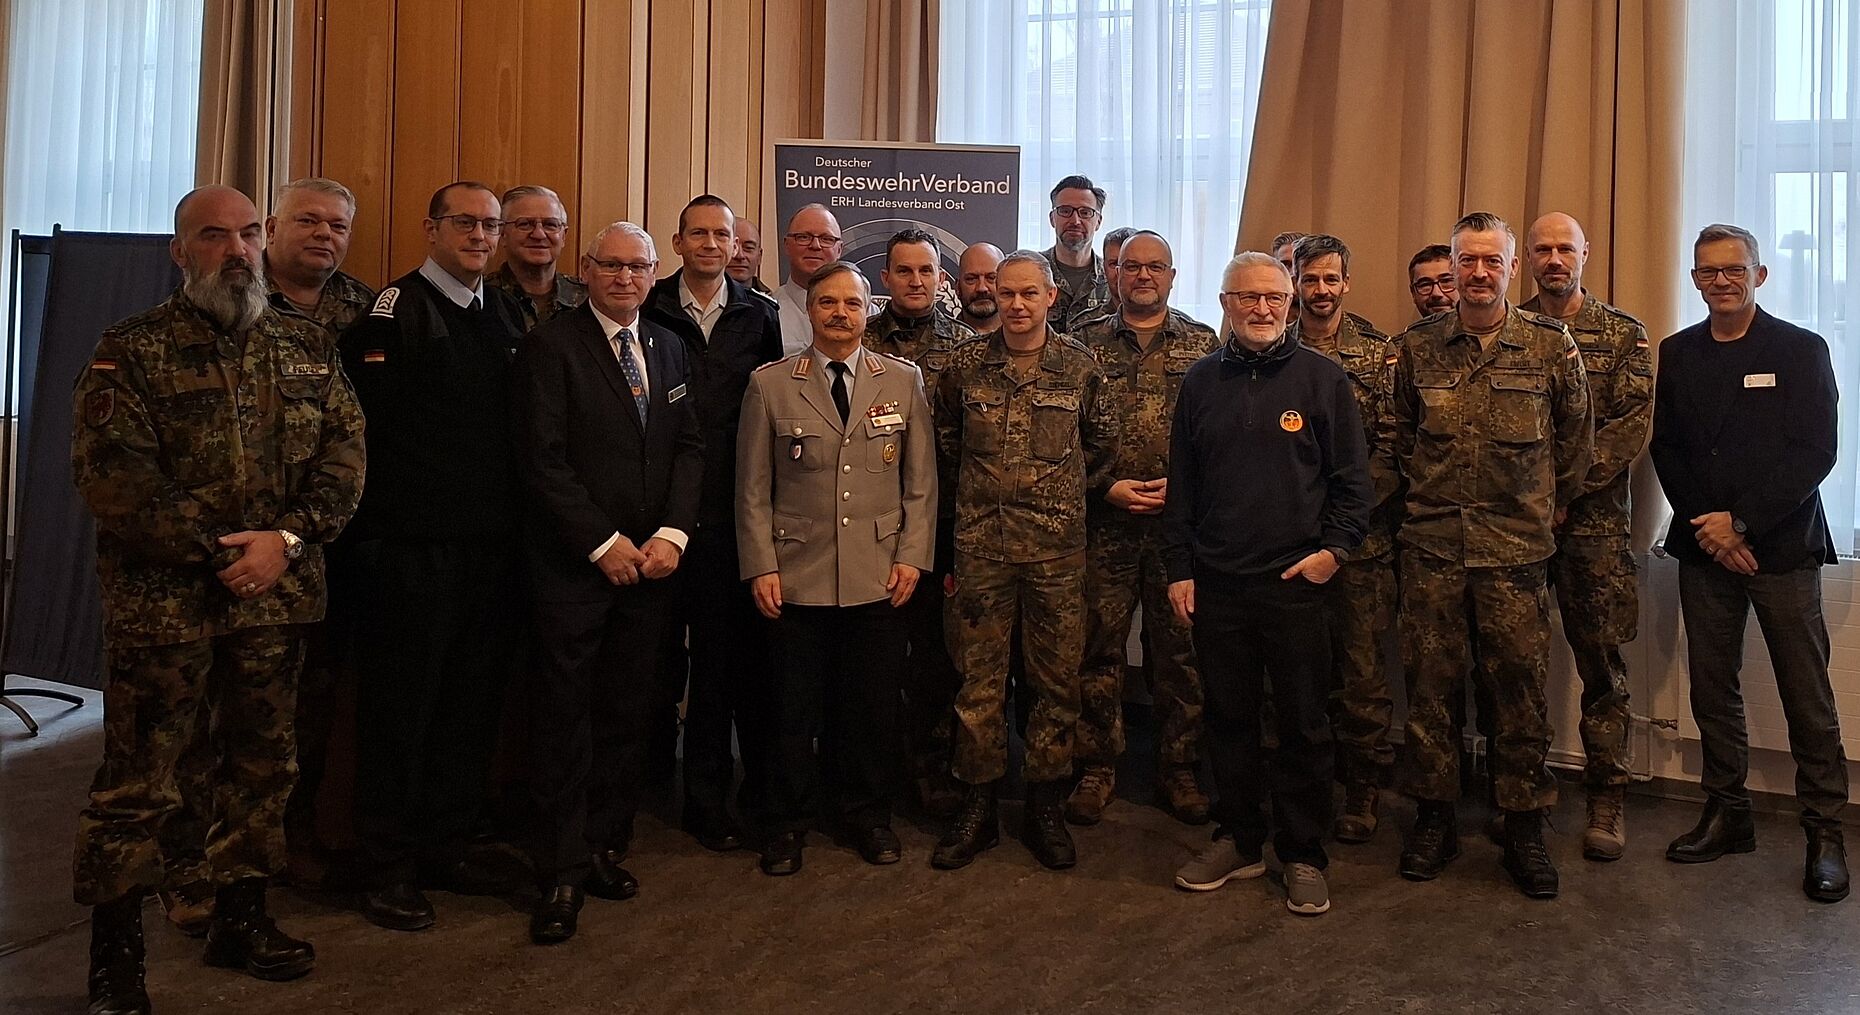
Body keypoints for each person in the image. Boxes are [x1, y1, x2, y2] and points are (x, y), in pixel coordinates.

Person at [72, 185, 365, 1012]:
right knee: (140, 783)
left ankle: (243, 916)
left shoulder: (306, 347)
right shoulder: (129, 350)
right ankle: (116, 958)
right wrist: (224, 551)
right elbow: (114, 478)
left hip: (278, 602)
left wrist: (289, 540)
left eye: (245, 235)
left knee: (263, 767)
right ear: (180, 250)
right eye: (213, 237)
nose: (235, 252)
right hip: (166, 610)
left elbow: (346, 455)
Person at [1378, 211, 1592, 900]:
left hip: (1515, 555)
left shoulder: (1550, 345)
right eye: (1466, 261)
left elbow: (1576, 443)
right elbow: (1399, 437)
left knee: (1519, 695)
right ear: (1454, 264)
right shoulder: (1416, 348)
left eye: (1490, 261)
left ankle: (1523, 823)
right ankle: (1434, 818)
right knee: (1432, 693)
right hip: (1434, 549)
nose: (1476, 273)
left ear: (1510, 266)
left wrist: (1539, 506)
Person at [338, 182, 529, 932]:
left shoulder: (503, 310)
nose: (482, 235)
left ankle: (447, 843)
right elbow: (372, 438)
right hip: (413, 555)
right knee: (401, 711)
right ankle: (388, 862)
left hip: (488, 552)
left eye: (492, 225)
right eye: (467, 223)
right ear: (432, 227)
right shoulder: (397, 310)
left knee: (467, 707)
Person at [1165, 250, 1370, 916]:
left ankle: (1305, 853)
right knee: (1227, 719)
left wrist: (1333, 553)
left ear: (1290, 304)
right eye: (1247, 297)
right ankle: (1241, 839)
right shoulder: (1198, 382)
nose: (1261, 309)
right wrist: (1180, 568)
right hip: (1219, 585)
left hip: (1297, 584)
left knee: (1305, 725)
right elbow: (1184, 488)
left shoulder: (1323, 380)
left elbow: (1352, 485)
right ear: (1224, 302)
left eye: (1273, 299)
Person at [1650, 223, 1849, 904]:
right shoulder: (1678, 353)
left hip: (1782, 547)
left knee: (1808, 697)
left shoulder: (1799, 349)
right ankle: (1728, 813)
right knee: (1712, 688)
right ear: (1696, 279)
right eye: (1708, 272)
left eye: (1734, 270)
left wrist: (1741, 521)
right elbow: (1668, 447)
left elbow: (1816, 449)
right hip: (1706, 550)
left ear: (1759, 275)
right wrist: (1711, 528)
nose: (1721, 281)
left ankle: (1825, 832)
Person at [517, 221, 703, 942]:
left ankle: (601, 844)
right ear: (586, 270)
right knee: (565, 718)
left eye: (638, 266)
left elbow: (689, 448)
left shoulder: (669, 344)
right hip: (577, 569)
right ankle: (559, 868)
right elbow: (543, 460)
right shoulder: (550, 347)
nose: (625, 278)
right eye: (612, 265)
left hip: (653, 567)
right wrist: (602, 542)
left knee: (629, 712)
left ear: (655, 275)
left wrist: (672, 535)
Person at [738, 260, 937, 875]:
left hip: (877, 573)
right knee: (790, 709)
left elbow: (921, 485)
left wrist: (912, 557)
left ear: (867, 309)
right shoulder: (769, 385)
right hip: (795, 574)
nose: (841, 314)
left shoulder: (901, 381)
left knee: (869, 708)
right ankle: (787, 822)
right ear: (811, 310)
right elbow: (751, 490)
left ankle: (866, 815)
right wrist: (760, 566)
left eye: (852, 304)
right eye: (828, 304)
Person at [931, 250, 1119, 872]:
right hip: (982, 550)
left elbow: (1100, 447)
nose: (1015, 305)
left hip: (1056, 556)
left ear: (1050, 299)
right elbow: (947, 447)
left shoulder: (1082, 369)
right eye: (1005, 293)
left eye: (1027, 294)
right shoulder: (963, 367)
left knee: (1055, 684)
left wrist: (1056, 498)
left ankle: (1044, 803)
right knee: (977, 685)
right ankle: (977, 806)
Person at [643, 195, 784, 852]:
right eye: (697, 231)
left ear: (736, 246)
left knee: (725, 669)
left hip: (732, 514)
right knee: (653, 662)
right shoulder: (648, 306)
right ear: (677, 241)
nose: (709, 243)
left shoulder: (763, 317)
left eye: (721, 234)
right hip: (658, 514)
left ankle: (710, 798)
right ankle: (642, 790)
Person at [1068, 231, 1217, 827]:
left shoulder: (1204, 345)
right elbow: (1062, 438)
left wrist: (1184, 493)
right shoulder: (1080, 346)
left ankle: (1177, 767)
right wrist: (1104, 486)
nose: (1144, 276)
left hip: (1178, 527)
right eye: (1133, 267)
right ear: (1115, 274)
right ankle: (1097, 766)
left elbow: (1219, 437)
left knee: (1179, 652)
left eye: (1156, 267)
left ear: (1173, 276)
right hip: (1105, 522)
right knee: (1097, 649)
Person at [1519, 212, 1652, 861]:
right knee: (1517, 662)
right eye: (1541, 248)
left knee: (1601, 666)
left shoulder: (1624, 333)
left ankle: (1607, 794)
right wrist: (1538, 500)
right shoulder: (1507, 330)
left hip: (1593, 529)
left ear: (1584, 254)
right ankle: (1525, 795)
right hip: (1518, 526)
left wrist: (1564, 492)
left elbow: (1630, 428)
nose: (1553, 258)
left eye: (1563, 248)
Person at [1283, 234, 1400, 843]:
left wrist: (1341, 521)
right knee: (1296, 672)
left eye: (1332, 280)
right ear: (1294, 280)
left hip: (1361, 546)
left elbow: (1392, 448)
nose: (1321, 291)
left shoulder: (1380, 355)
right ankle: (1300, 786)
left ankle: (1362, 788)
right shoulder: (1272, 347)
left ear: (1346, 283)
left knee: (1361, 675)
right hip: (1287, 543)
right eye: (1310, 279)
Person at [863, 229, 975, 817]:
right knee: (875, 661)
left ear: (941, 279)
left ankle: (933, 771)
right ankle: (873, 774)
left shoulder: (966, 348)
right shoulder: (859, 340)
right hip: (866, 525)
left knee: (936, 658)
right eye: (903, 271)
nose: (915, 281)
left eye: (925, 271)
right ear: (885, 279)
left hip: (943, 526)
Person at [488, 184, 587, 330]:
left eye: (550, 225)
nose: (539, 234)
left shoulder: (588, 298)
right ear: (502, 234)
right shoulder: (483, 298)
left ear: (563, 236)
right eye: (525, 224)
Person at [776, 204, 844, 355]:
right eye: (804, 237)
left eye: (826, 239)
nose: (815, 246)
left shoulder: (865, 312)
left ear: (839, 250)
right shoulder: (766, 313)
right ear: (786, 245)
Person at [1043, 175, 1111, 325]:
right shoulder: (1032, 272)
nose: (1075, 221)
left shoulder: (1112, 278)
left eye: (1085, 212)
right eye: (1065, 211)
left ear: (1098, 222)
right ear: (1052, 219)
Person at [1066, 226, 1135, 332]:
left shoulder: (1168, 324)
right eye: (1113, 264)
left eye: (1131, 265)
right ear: (1104, 267)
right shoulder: (1082, 327)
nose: (1120, 272)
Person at [956, 242, 1004, 335]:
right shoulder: (938, 342)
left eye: (991, 278)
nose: (982, 288)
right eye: (971, 279)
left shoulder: (1025, 340)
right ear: (958, 287)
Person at [1408, 243, 1457, 319]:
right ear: (1413, 293)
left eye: (1446, 281)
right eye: (1425, 284)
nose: (1436, 293)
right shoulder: (1410, 331)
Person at [729, 217, 773, 294]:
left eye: (748, 248)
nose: (740, 256)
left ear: (759, 257)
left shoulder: (772, 303)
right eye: (733, 247)